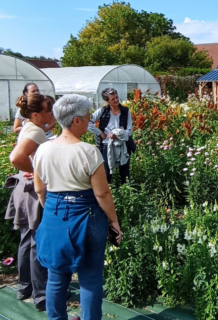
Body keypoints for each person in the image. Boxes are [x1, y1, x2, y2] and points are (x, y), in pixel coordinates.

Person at [33, 94, 122, 320]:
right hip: (86, 214)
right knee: (90, 277)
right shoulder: (87, 151)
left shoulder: (42, 149)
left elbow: (40, 189)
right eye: (87, 117)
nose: (89, 120)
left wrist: (52, 209)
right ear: (75, 121)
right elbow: (102, 192)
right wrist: (114, 221)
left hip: (53, 212)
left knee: (56, 275)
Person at [8, 93, 55, 311]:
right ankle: (42, 296)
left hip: (22, 189)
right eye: (48, 110)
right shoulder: (36, 130)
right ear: (36, 114)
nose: (52, 113)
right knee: (38, 242)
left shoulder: (30, 125)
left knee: (27, 240)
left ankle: (24, 287)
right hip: (33, 193)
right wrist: (37, 171)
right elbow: (16, 157)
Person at [88, 88, 132, 184]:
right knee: (106, 171)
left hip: (122, 144)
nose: (116, 100)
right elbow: (88, 123)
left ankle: (126, 191)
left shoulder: (125, 111)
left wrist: (118, 136)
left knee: (124, 171)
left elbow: (129, 130)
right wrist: (100, 133)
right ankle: (108, 191)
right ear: (107, 101)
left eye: (116, 97)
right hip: (106, 144)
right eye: (113, 99)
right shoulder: (102, 111)